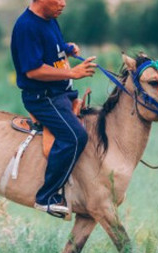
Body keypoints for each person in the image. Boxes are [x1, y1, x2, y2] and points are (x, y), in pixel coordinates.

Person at [10, 0, 97, 216]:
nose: (63, 3)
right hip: (43, 98)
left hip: (61, 94)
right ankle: (46, 196)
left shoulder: (50, 19)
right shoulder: (26, 27)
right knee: (76, 136)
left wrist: (67, 48)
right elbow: (33, 71)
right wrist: (72, 73)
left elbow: (52, 49)